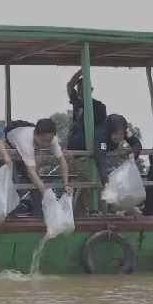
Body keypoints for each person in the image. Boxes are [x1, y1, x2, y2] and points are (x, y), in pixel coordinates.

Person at [4, 118, 71, 217]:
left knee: (37, 184)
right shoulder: (25, 141)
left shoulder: (52, 139)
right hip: (9, 146)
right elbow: (31, 173)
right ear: (35, 134)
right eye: (43, 140)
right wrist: (46, 193)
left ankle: (39, 216)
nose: (46, 144)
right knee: (13, 183)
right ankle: (11, 216)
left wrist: (66, 184)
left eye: (49, 141)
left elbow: (62, 160)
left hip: (26, 150)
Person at [65, 69, 107, 216]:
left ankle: (92, 212)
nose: (81, 91)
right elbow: (70, 85)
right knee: (84, 184)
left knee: (89, 183)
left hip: (86, 154)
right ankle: (83, 213)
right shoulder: (77, 103)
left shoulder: (99, 107)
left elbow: (101, 131)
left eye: (84, 89)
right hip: (74, 153)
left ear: (91, 90)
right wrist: (82, 71)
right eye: (79, 89)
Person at [93, 114, 142, 215]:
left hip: (112, 161)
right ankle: (103, 211)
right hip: (97, 161)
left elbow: (136, 143)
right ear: (110, 131)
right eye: (116, 135)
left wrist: (134, 154)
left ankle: (120, 208)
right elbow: (100, 159)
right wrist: (105, 181)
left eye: (121, 135)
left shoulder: (126, 131)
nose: (119, 138)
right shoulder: (101, 134)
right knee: (103, 188)